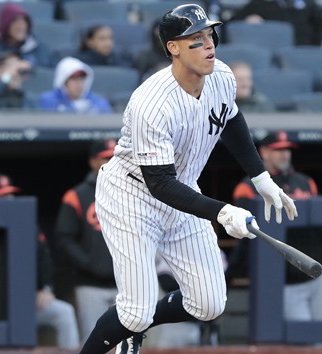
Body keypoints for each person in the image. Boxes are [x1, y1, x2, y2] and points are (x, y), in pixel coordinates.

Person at [78, 4, 297, 354]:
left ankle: (133, 324)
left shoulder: (222, 76)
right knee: (135, 310)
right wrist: (224, 212)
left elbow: (232, 119)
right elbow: (160, 184)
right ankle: (127, 326)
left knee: (209, 304)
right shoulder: (151, 102)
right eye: (196, 39)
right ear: (173, 48)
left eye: (209, 35)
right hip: (131, 193)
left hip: (182, 190)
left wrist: (261, 177)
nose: (209, 44)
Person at [227, 130, 322, 321]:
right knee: (299, 342)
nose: (285, 154)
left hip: (316, 274)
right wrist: (231, 275)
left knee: (321, 338)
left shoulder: (306, 182)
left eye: (287, 149)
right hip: (283, 281)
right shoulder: (248, 187)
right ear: (264, 152)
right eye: (278, 150)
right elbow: (246, 240)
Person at [0, 173, 80, 349]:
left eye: (10, 194)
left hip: (25, 303)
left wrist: (47, 288)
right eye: (2, 196)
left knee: (64, 313)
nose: (9, 200)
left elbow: (44, 258)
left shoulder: (27, 225)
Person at [53, 139, 119, 345]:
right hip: (90, 286)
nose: (109, 162)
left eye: (113, 157)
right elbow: (64, 238)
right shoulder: (77, 195)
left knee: (127, 345)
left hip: (126, 285)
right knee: (93, 342)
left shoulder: (131, 193)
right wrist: (90, 264)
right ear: (92, 162)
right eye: (104, 158)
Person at [0, 3, 52, 70]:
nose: (21, 26)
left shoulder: (40, 50)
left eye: (24, 21)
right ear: (5, 26)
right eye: (15, 22)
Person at [229, 0, 322, 46]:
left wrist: (313, 49)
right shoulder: (259, 5)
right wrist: (247, 19)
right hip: (270, 54)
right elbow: (232, 22)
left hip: (301, 52)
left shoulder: (308, 5)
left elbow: (318, 26)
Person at [37, 57, 113, 114]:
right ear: (63, 81)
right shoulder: (48, 100)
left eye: (81, 79)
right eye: (73, 79)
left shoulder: (97, 101)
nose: (79, 83)